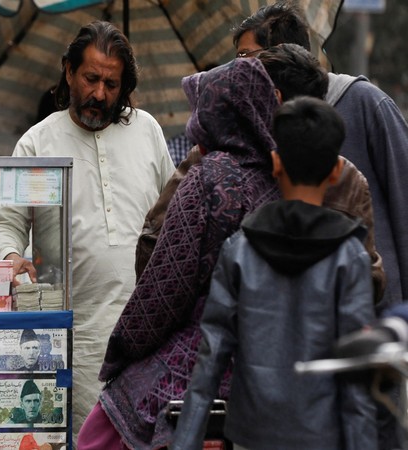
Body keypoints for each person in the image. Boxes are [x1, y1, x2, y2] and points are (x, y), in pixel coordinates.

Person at [78, 57, 280, 449]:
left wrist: (122, 349)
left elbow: (165, 289)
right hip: (268, 366)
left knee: (96, 436)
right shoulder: (283, 178)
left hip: (200, 363)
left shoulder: (208, 178)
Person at [0, 20, 174, 438]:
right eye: (91, 79)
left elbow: (171, 214)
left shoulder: (147, 131)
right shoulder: (37, 143)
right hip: (78, 333)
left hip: (146, 327)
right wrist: (11, 258)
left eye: (111, 83)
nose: (99, 94)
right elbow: (8, 223)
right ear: (68, 71)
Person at [171, 96, 377, 450]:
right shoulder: (349, 257)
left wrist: (185, 443)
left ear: (276, 163)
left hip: (251, 435)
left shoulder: (240, 250)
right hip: (323, 437)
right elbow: (356, 379)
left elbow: (209, 364)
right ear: (336, 172)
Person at [135, 43, 385, 307]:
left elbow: (153, 249)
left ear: (272, 98)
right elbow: (370, 283)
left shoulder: (211, 158)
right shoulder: (345, 175)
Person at [232, 0, 408, 313]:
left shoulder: (364, 103)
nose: (239, 71)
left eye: (248, 58)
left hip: (380, 310)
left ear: (281, 55)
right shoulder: (259, 128)